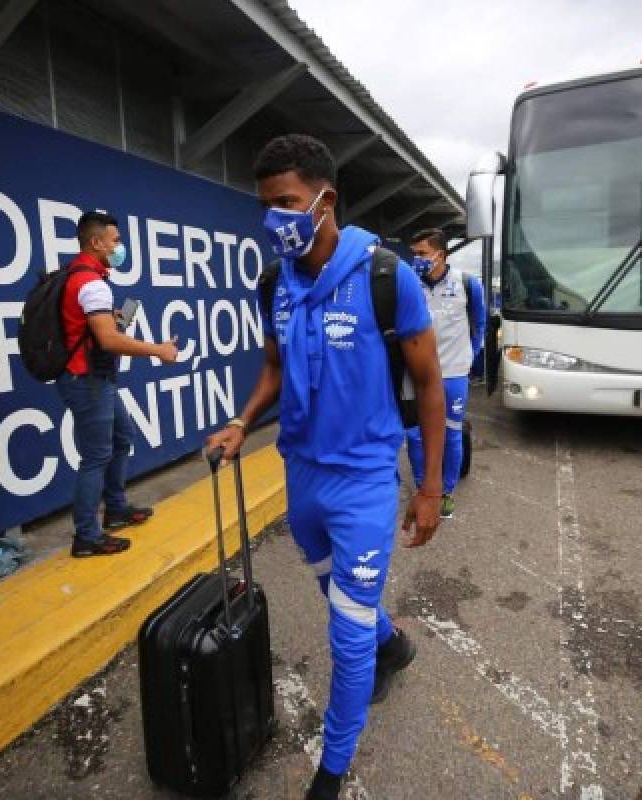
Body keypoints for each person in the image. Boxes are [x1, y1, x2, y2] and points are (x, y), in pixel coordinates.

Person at [204, 134, 446, 800]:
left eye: (285, 202)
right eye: (266, 205)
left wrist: (430, 488)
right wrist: (241, 421)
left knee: (344, 635)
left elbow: (428, 382)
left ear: (324, 200)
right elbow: (276, 368)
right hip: (302, 480)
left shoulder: (384, 275)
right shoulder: (274, 282)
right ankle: (392, 644)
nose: (273, 217)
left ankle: (332, 771)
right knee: (336, 597)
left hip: (366, 482)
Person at [57, 211, 179, 557]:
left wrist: (118, 319)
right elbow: (109, 341)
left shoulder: (82, 276)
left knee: (122, 437)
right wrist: (158, 351)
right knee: (96, 455)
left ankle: (115, 509)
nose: (119, 247)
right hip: (88, 381)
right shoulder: (91, 283)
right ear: (96, 242)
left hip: (94, 379)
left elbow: (96, 331)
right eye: (116, 241)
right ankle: (87, 537)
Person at [405, 229, 487, 519]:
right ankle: (422, 488)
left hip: (452, 374)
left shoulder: (467, 284)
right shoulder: (409, 284)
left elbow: (479, 324)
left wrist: (468, 358)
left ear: (441, 254)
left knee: (451, 435)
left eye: (422, 254)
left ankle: (445, 493)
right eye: (413, 254)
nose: (416, 260)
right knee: (414, 436)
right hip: (415, 373)